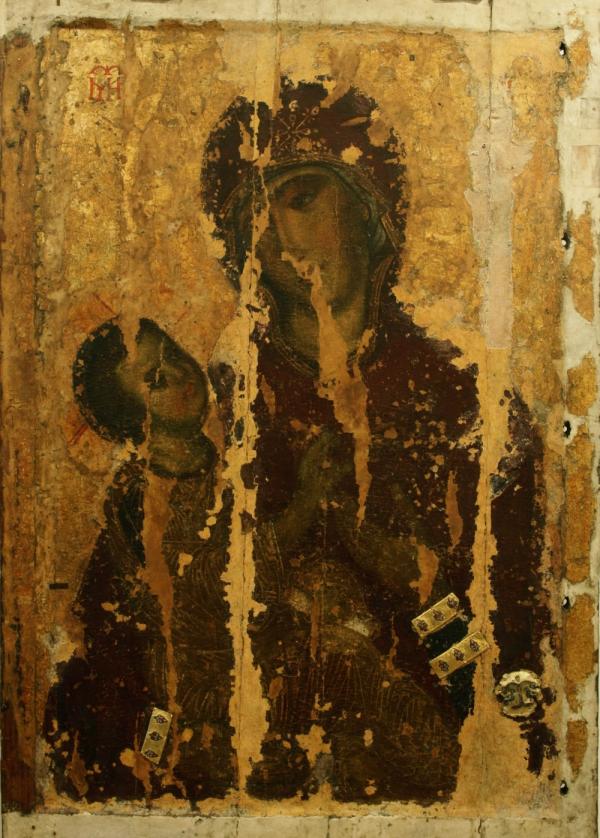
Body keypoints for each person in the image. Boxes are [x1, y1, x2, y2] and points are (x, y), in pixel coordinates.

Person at [203, 78, 552, 801]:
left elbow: (517, 635)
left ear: (370, 209)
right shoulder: (219, 403)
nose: (277, 234)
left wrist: (410, 575)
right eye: (254, 214)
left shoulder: (468, 401)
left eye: (301, 198)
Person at [45, 319, 236, 801]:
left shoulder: (233, 458)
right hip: (177, 674)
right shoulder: (136, 501)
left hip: (241, 641)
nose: (180, 375)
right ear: (134, 418)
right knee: (161, 760)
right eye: (155, 379)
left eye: (174, 353)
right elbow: (194, 586)